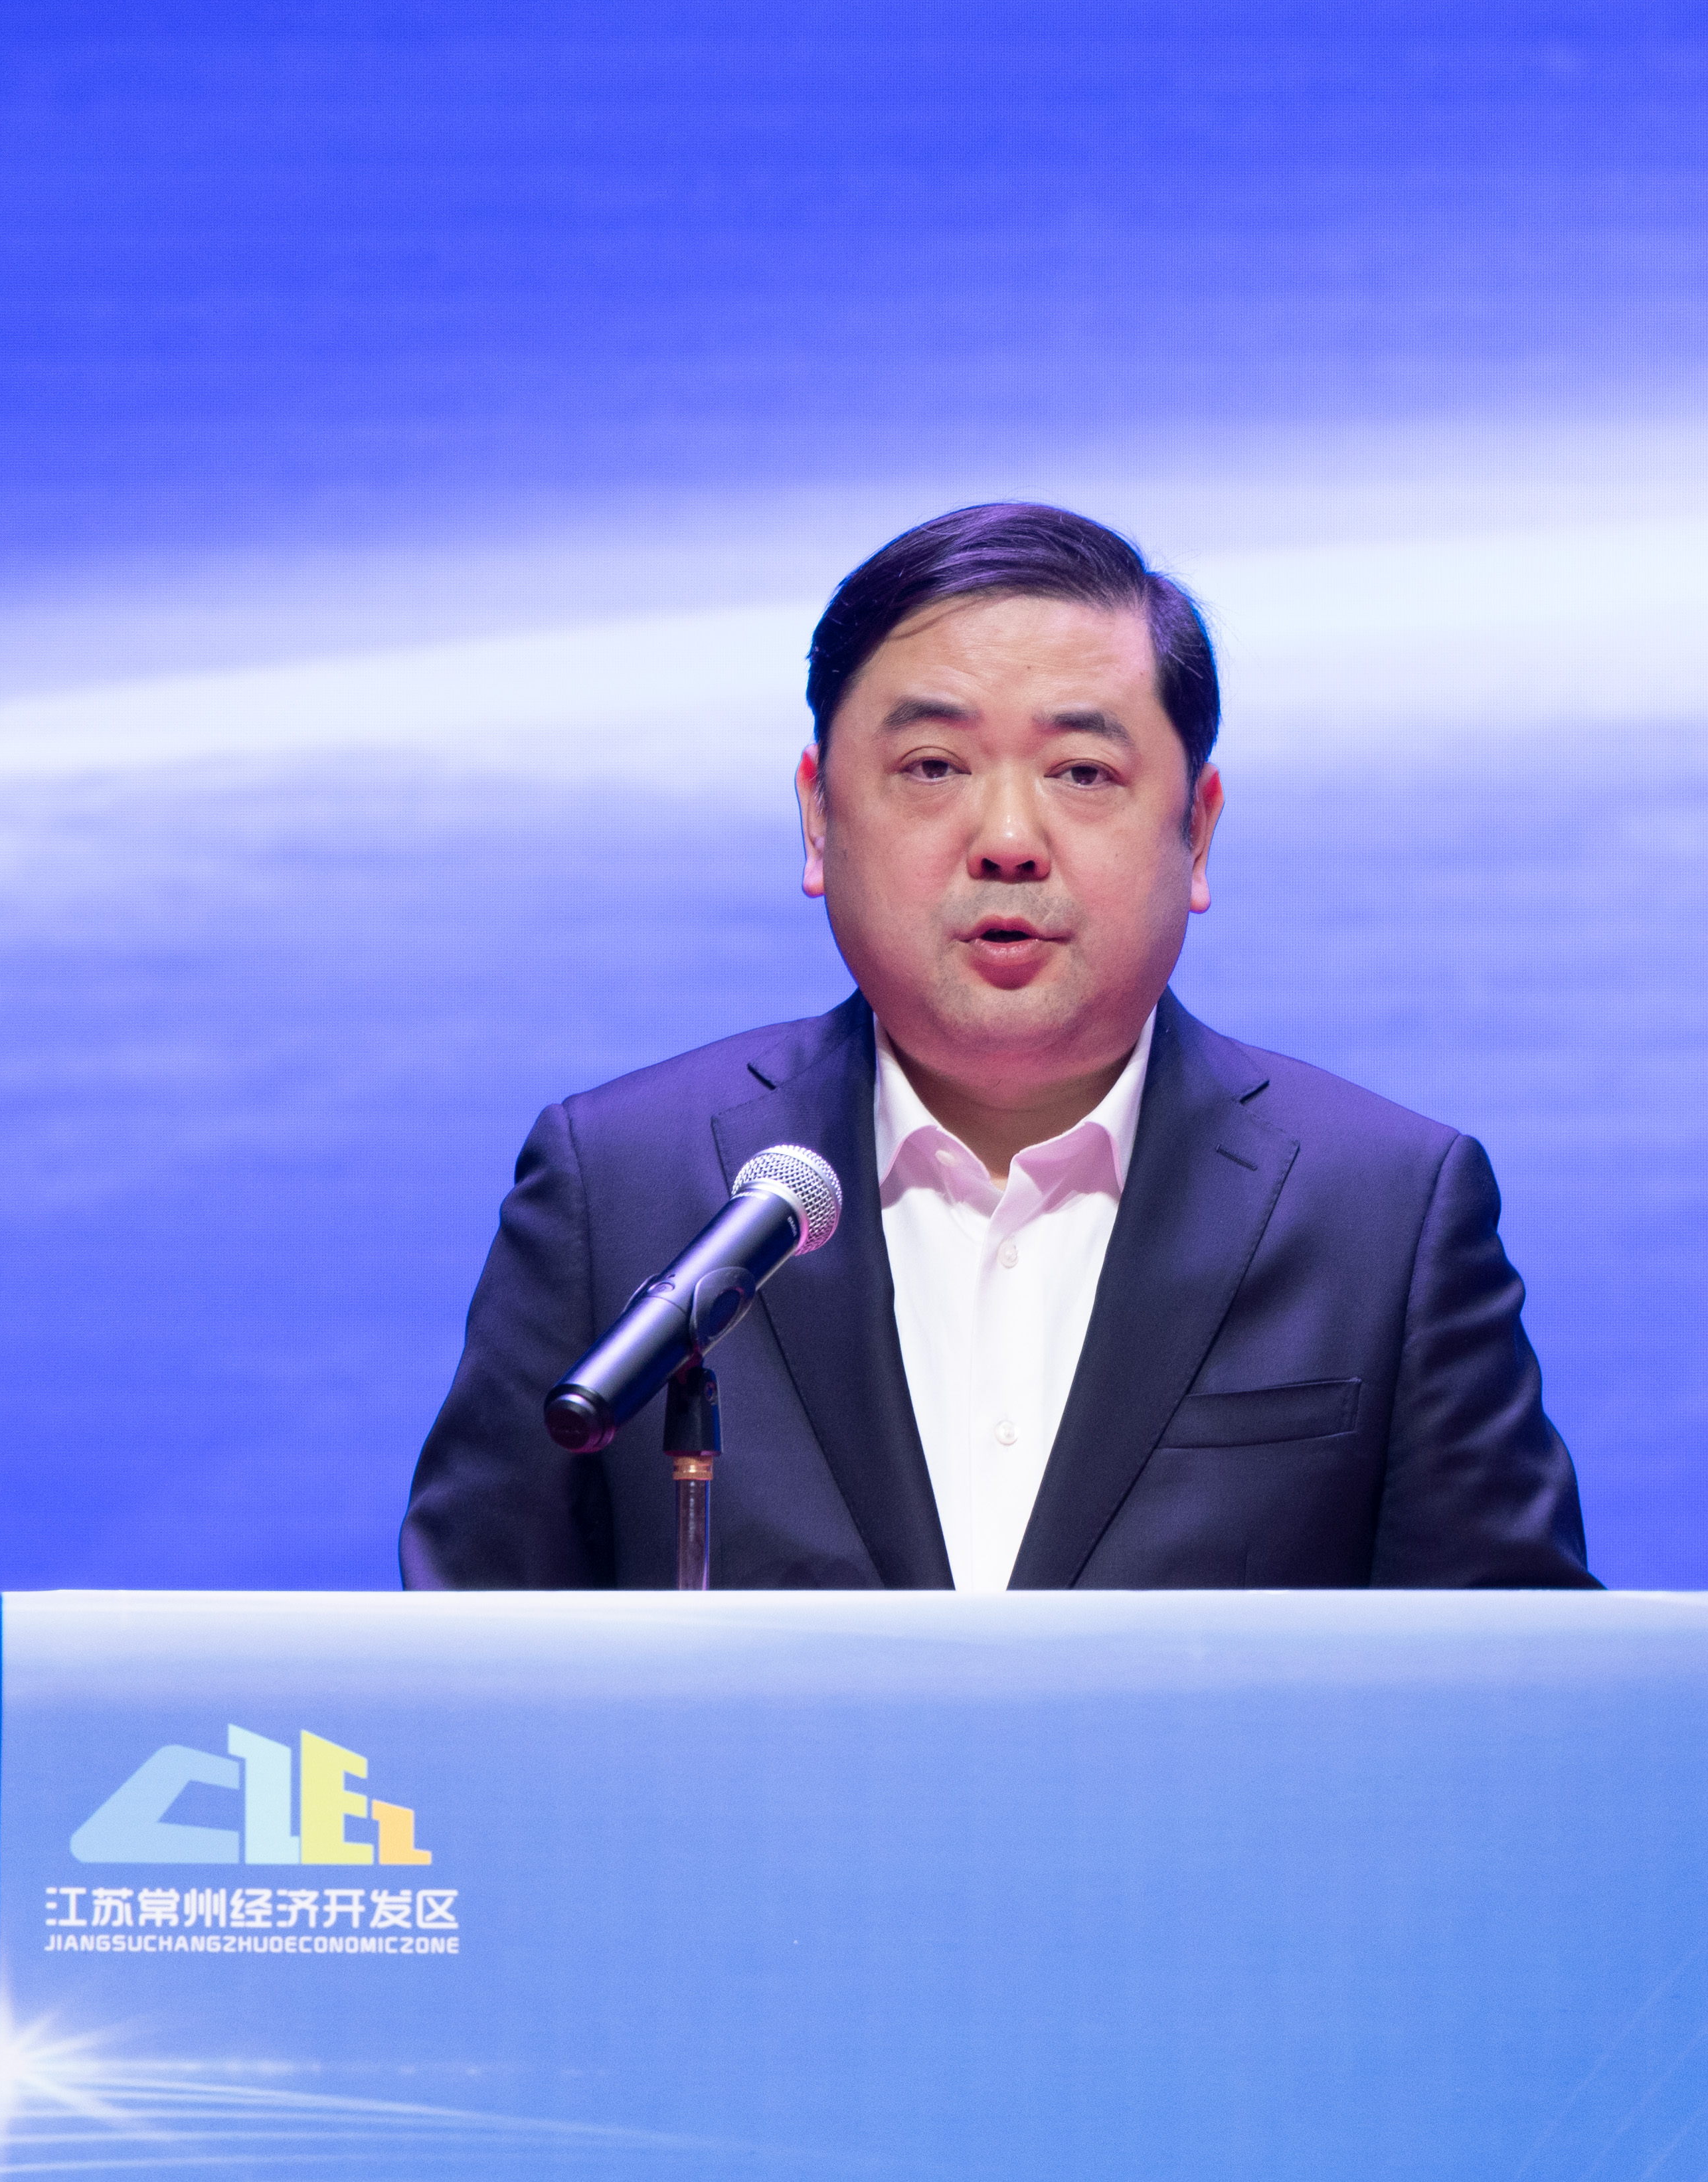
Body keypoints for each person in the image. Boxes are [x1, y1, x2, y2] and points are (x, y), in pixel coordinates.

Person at [400, 502, 1595, 1590]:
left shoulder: (1387, 1215)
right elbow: (463, 1688)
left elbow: (1520, 1703)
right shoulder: (620, 1187)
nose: (1009, 838)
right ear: (818, 818)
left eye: (1083, 771)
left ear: (1198, 831)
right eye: (934, 767)